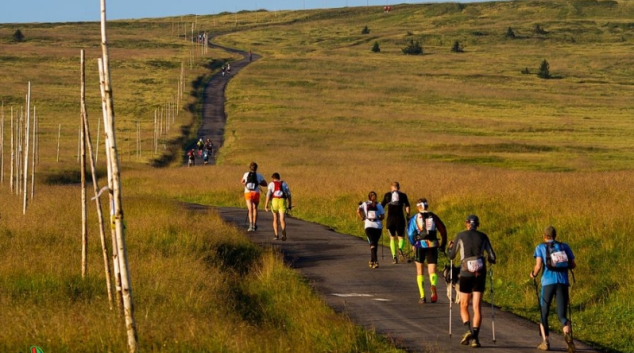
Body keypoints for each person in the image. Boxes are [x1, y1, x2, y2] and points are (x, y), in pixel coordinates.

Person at [447, 215, 496, 348]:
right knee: (476, 307)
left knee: (463, 304)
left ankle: (468, 329)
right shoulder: (483, 236)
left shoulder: (461, 235)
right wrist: (488, 260)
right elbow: (492, 257)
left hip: (466, 273)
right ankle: (475, 338)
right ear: (477, 225)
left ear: (467, 224)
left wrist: (449, 248)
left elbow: (451, 255)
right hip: (480, 273)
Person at [530, 226, 576, 353]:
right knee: (562, 315)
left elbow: (538, 266)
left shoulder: (540, 247)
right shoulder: (564, 246)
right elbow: (573, 265)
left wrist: (533, 274)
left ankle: (545, 342)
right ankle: (567, 336)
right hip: (563, 283)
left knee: (544, 312)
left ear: (544, 236)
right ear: (555, 235)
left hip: (548, 283)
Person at [407, 198, 447, 304]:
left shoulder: (415, 218)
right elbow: (443, 229)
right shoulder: (433, 216)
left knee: (420, 271)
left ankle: (422, 296)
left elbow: (410, 233)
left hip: (420, 244)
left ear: (418, 207)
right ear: (427, 206)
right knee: (432, 271)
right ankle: (433, 286)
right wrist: (443, 244)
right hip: (433, 244)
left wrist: (413, 243)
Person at [380, 182, 410, 264]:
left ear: (391, 187)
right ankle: (400, 249)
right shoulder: (403, 195)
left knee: (392, 238)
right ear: (399, 187)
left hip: (390, 219)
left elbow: (381, 206)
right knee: (401, 238)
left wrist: (380, 216)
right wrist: (408, 216)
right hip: (400, 219)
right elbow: (407, 206)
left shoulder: (387, 195)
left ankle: (394, 257)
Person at [357, 191, 385, 269]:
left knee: (372, 243)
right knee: (374, 243)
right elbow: (383, 216)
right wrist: (379, 218)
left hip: (368, 225)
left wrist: (362, 218)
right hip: (378, 226)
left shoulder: (365, 204)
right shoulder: (379, 205)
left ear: (369, 197)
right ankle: (374, 261)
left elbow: (358, 211)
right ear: (376, 197)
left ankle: (374, 261)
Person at [264, 173, 292, 241]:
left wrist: (266, 205)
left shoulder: (271, 184)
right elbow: (288, 195)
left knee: (275, 218)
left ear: (273, 178)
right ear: (279, 178)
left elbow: (268, 194)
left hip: (274, 201)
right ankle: (283, 233)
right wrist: (289, 204)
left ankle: (276, 235)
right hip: (282, 201)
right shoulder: (284, 184)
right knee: (282, 218)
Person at [240, 162, 267, 232]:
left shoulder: (246, 174)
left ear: (250, 167)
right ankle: (254, 225)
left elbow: (242, 181)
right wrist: (258, 183)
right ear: (256, 168)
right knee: (255, 208)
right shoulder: (259, 175)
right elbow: (265, 184)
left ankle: (250, 225)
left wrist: (244, 183)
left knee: (250, 209)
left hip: (248, 193)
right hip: (256, 193)